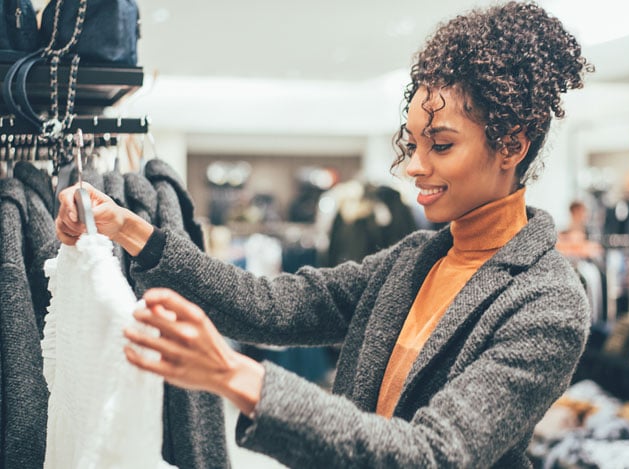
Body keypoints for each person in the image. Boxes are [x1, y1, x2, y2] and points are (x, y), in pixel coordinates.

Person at [55, 2, 593, 467]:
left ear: (512, 145)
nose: (414, 167)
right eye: (413, 145)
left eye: (443, 145)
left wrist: (237, 375)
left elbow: (434, 454)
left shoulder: (548, 302)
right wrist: (130, 229)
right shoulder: (417, 259)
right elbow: (273, 306)